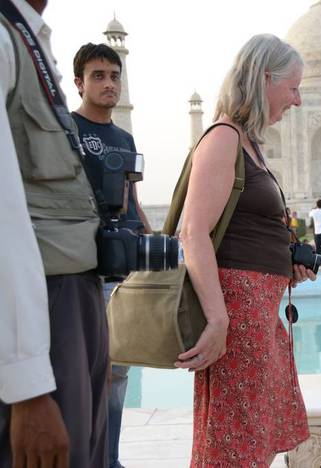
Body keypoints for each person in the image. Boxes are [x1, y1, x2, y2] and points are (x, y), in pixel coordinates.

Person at [177, 34, 314, 466]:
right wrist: (218, 320)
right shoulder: (223, 138)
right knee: (233, 440)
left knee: (250, 435)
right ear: (264, 78)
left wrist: (286, 261)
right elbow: (193, 232)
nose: (297, 99)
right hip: (237, 315)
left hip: (256, 313)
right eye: (292, 87)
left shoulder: (249, 143)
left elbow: (243, 228)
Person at [1, 1, 109, 467]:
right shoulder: (5, 38)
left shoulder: (26, 35)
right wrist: (28, 387)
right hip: (43, 308)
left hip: (69, 297)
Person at [71, 42, 152, 468]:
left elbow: (130, 197)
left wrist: (153, 239)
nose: (108, 84)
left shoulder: (123, 136)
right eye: (98, 76)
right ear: (79, 82)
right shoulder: (67, 130)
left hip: (122, 268)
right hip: (82, 266)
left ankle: (110, 458)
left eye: (114, 76)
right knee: (87, 373)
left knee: (117, 372)